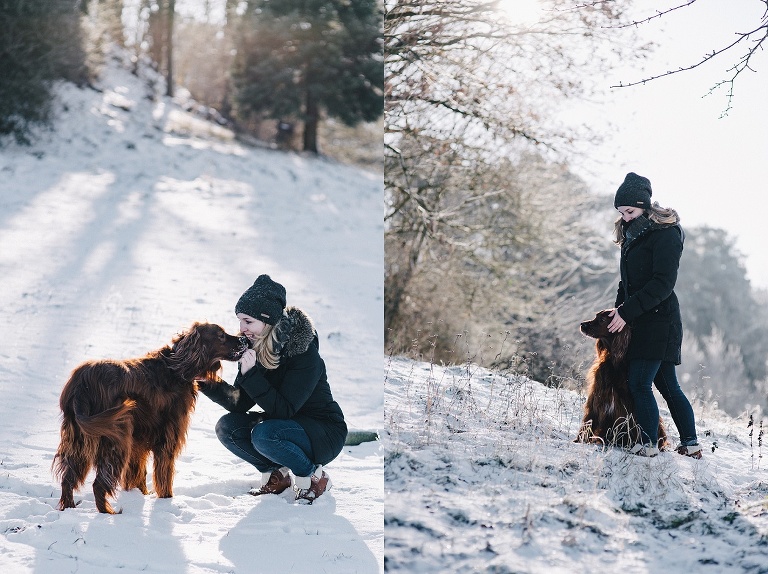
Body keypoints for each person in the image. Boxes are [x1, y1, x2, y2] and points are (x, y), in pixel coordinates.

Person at [196, 274, 348, 503]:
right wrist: (207, 382)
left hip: (323, 431)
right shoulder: (255, 347)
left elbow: (285, 410)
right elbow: (239, 402)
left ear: (267, 321)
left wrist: (252, 375)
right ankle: (277, 476)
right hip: (285, 427)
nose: (241, 328)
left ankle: (313, 478)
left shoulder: (303, 353)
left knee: (264, 435)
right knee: (227, 427)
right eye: (240, 321)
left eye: (248, 321)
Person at [606, 172, 702, 459]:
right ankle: (691, 444)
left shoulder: (665, 234)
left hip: (661, 320)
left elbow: (662, 284)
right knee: (667, 385)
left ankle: (648, 445)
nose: (625, 217)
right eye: (621, 212)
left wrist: (626, 311)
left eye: (630, 211)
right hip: (638, 319)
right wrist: (617, 313)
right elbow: (627, 283)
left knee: (640, 382)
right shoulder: (631, 235)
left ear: (645, 206)